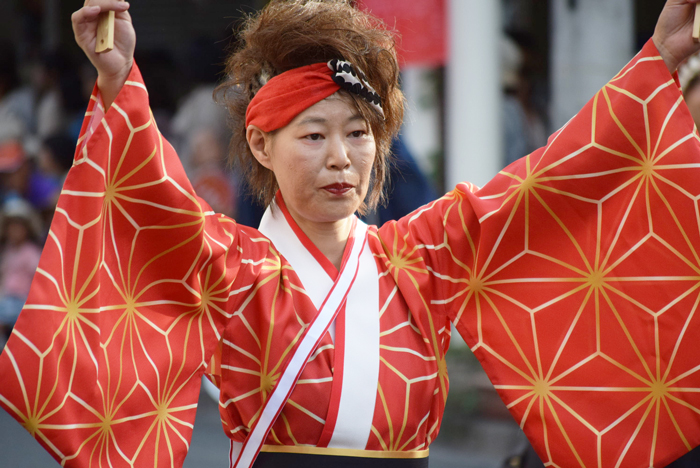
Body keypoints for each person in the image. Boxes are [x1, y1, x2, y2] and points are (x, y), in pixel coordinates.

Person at [1, 1, 700, 467]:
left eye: (359, 134)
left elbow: (546, 186)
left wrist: (657, 65)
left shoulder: (420, 257)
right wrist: (119, 82)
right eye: (313, 135)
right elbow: (151, 198)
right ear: (262, 145)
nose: (342, 157)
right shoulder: (234, 264)